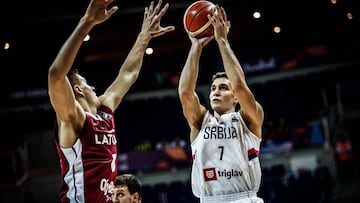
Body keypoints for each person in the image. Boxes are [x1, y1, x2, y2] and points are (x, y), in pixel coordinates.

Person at [47, 0, 175, 202]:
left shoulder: (105, 111)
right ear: (78, 90)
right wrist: (87, 22)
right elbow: (55, 74)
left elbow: (128, 73)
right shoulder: (73, 118)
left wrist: (144, 36)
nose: (94, 88)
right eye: (87, 84)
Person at [178, 5, 264, 203]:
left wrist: (222, 40)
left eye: (224, 88)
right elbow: (185, 92)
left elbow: (240, 86)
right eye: (213, 88)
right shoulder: (200, 122)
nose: (216, 91)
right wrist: (195, 47)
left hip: (244, 198)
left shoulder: (248, 119)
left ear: (235, 98)